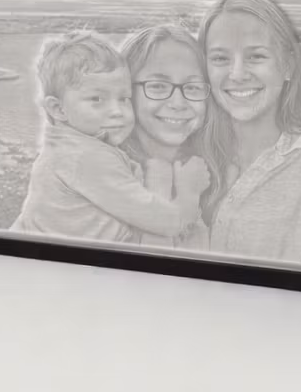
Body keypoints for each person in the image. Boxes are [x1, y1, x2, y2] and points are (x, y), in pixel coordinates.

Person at [11, 30, 209, 243]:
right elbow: (166, 224)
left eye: (123, 98)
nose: (117, 111)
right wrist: (190, 191)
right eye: (97, 99)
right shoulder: (85, 157)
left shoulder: (65, 149)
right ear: (57, 109)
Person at [199, 0, 301, 262]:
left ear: (288, 65)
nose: (237, 74)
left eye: (256, 56)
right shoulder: (192, 150)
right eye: (220, 58)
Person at [120, 24, 220, 249]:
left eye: (192, 87)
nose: (178, 103)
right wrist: (187, 196)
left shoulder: (212, 174)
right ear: (125, 91)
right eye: (158, 86)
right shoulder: (109, 176)